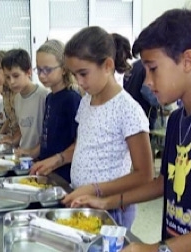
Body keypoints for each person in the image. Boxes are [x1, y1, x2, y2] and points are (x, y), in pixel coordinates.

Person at [71, 8, 191, 252]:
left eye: (153, 68)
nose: (146, 81)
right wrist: (106, 201)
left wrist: (159, 249)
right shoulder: (178, 119)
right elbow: (164, 182)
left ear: (188, 60)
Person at [38, 27, 153, 230]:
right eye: (74, 74)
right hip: (84, 198)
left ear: (108, 65)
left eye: (83, 73)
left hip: (111, 207)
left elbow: (144, 174)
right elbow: (82, 145)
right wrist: (57, 160)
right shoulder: (86, 101)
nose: (79, 82)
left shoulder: (128, 109)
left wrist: (96, 189)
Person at [26, 39, 82, 183]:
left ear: (64, 68)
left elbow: (79, 143)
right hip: (47, 170)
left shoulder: (72, 98)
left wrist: (55, 161)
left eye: (48, 70)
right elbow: (48, 139)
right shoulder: (50, 97)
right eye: (38, 70)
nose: (42, 75)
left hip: (64, 173)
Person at [0, 49, 49, 150]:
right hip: (23, 153)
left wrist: (33, 152)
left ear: (29, 72)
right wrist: (13, 141)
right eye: (7, 77)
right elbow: (23, 129)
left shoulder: (44, 95)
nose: (11, 82)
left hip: (40, 157)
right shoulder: (17, 98)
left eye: (16, 76)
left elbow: (49, 135)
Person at [0, 50, 21, 137]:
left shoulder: (17, 90)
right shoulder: (5, 91)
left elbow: (23, 123)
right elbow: (10, 117)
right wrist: (1, 132)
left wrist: (13, 140)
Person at [124, 59, 160, 131]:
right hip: (143, 118)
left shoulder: (132, 66)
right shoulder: (150, 67)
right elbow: (146, 91)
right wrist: (161, 100)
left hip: (128, 116)